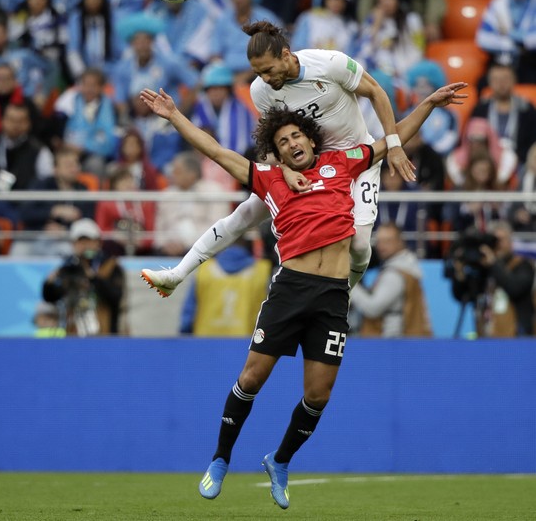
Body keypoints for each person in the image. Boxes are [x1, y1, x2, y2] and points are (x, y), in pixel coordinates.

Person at [138, 80, 465, 508]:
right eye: (282, 140)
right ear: (277, 151)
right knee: (252, 377)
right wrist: (175, 116)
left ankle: (280, 459)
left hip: (333, 295)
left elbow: (392, 138)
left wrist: (429, 104)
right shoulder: (271, 179)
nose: (292, 143)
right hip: (291, 289)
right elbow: (217, 152)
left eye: (296, 135)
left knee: (318, 395)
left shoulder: (342, 164)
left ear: (310, 139)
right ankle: (220, 458)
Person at [141, 19, 418, 298]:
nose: (264, 79)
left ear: (285, 55)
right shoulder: (261, 92)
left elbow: (376, 93)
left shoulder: (331, 64)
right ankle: (176, 274)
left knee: (358, 245)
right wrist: (284, 169)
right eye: (257, 72)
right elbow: (275, 137)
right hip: (306, 162)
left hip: (356, 159)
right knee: (244, 214)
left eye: (268, 70)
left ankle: (342, 299)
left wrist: (394, 145)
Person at [447, 220, 535, 337]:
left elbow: (514, 288)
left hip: (518, 336)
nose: (498, 245)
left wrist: (493, 263)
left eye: (501, 240)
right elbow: (463, 296)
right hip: (486, 336)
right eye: (494, 240)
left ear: (511, 242)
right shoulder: (484, 270)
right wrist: (460, 273)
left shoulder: (523, 266)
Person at [42, 217, 127, 336]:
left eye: (88, 240)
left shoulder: (111, 266)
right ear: (73, 244)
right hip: (74, 332)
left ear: (98, 242)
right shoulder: (69, 268)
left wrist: (93, 278)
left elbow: (115, 297)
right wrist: (49, 284)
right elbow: (51, 298)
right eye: (80, 241)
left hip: (105, 333)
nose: (85, 246)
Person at [351, 222, 432, 337]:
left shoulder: (396, 273)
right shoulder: (408, 265)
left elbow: (373, 308)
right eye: (379, 241)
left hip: (394, 339)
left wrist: (350, 284)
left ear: (400, 242)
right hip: (403, 337)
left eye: (388, 241)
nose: (381, 246)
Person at [179, 239, 273, 336]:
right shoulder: (263, 270)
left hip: (205, 340)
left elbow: (190, 309)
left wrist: (185, 333)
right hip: (247, 342)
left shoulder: (204, 269)